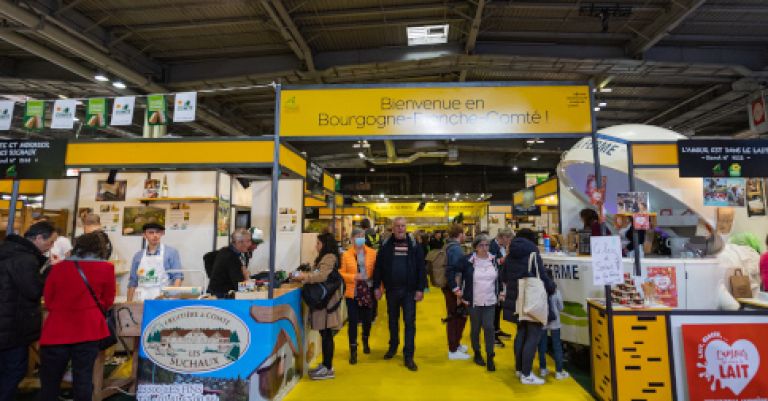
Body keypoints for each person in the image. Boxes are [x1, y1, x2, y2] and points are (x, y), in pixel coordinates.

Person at [39, 233, 116, 401]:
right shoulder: (107, 268)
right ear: (101, 248)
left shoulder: (57, 268)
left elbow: (49, 301)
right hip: (88, 329)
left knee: (50, 380)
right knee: (83, 378)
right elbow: (108, 300)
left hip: (56, 330)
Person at [0, 222, 56, 401]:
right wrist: (49, 271)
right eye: (50, 242)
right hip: (13, 323)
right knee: (15, 369)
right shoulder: (25, 259)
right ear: (39, 238)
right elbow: (33, 291)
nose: (51, 246)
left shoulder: (8, 250)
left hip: (6, 319)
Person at [501, 228, 555, 385]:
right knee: (533, 335)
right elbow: (542, 277)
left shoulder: (510, 253)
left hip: (516, 300)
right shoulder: (533, 252)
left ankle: (519, 370)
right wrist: (552, 287)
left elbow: (503, 276)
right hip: (532, 300)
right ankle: (526, 374)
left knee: (521, 333)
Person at [373, 217, 427, 371]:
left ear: (406, 227)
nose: (400, 228)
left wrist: (420, 289)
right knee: (392, 321)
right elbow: (378, 267)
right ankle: (393, 346)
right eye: (397, 226)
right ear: (392, 228)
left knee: (410, 323)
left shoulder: (415, 245)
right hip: (392, 291)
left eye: (403, 226)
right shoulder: (385, 245)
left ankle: (408, 355)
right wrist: (377, 286)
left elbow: (421, 268)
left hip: (409, 292)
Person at [294, 232, 342, 380]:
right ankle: (326, 365)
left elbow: (322, 276)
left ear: (325, 244)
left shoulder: (329, 257)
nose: (316, 246)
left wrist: (304, 277)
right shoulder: (327, 257)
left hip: (326, 302)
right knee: (325, 334)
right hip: (326, 300)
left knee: (327, 334)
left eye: (318, 243)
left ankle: (328, 368)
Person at [453, 234, 503, 372]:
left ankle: (490, 356)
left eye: (487, 245)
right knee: (475, 328)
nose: (485, 248)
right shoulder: (467, 260)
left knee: (489, 327)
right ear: (475, 247)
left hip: (490, 300)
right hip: (473, 301)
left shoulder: (493, 260)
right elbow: (456, 274)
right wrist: (457, 291)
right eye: (481, 245)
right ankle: (477, 352)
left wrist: (502, 292)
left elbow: (499, 277)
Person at [339, 228, 376, 364]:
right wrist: (354, 276)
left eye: (362, 236)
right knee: (353, 322)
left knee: (367, 319)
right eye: (357, 236)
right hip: (352, 292)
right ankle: (353, 350)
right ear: (352, 239)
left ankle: (365, 338)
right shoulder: (346, 255)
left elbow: (377, 271)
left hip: (367, 290)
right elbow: (341, 273)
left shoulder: (372, 253)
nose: (360, 238)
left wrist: (378, 287)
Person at [127, 223, 183, 301]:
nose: (155, 235)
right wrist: (129, 302)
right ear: (144, 235)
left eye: (157, 232)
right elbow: (133, 281)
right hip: (141, 300)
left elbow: (178, 278)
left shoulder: (171, 252)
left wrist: (172, 299)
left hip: (163, 299)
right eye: (151, 232)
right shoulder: (138, 256)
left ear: (161, 234)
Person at [443, 224, 470, 360]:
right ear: (460, 234)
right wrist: (457, 291)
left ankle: (456, 344)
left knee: (456, 316)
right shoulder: (456, 249)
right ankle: (453, 350)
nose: (465, 236)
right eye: (464, 234)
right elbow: (455, 272)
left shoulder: (448, 246)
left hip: (450, 288)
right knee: (456, 317)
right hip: (454, 289)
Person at [538, 270, 569, 380]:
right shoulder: (556, 291)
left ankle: (542, 369)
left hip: (542, 321)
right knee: (557, 346)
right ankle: (559, 372)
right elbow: (561, 307)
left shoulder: (540, 291)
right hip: (555, 323)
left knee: (542, 346)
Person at [207, 228, 254, 298]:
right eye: (248, 241)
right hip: (221, 298)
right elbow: (242, 288)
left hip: (218, 293)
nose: (250, 244)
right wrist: (247, 277)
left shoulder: (225, 251)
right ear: (239, 242)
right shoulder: (231, 257)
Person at [489, 228, 514, 345]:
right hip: (492, 281)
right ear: (504, 237)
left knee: (499, 306)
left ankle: (497, 329)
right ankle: (491, 334)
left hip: (500, 280)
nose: (509, 241)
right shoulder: (491, 246)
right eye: (509, 239)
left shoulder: (501, 247)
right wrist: (507, 257)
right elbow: (491, 263)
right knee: (493, 308)